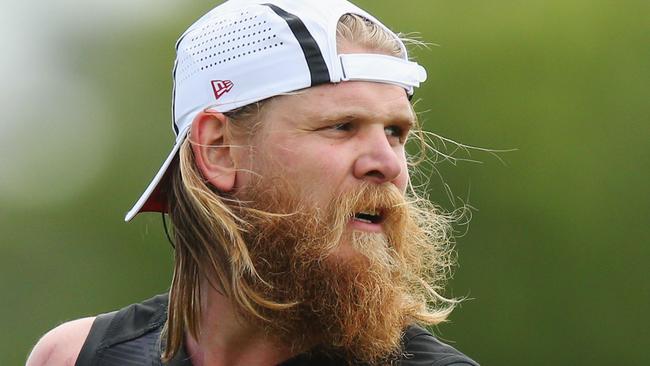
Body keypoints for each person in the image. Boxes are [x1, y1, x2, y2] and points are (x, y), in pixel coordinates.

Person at [27, 0, 479, 365]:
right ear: (218, 150)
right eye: (342, 126)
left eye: (395, 133)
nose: (387, 163)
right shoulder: (76, 357)